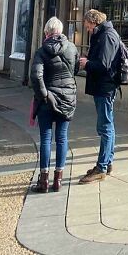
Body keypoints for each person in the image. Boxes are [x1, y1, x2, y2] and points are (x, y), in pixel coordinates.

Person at [30, 17, 80, 193]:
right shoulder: (72, 47)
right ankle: (58, 180)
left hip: (47, 100)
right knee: (62, 137)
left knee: (45, 138)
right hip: (67, 98)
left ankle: (43, 181)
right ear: (61, 31)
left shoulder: (41, 51)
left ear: (47, 32)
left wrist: (44, 94)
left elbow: (36, 76)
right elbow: (75, 70)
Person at [78, 9, 121, 183]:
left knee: (105, 127)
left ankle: (101, 167)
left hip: (105, 87)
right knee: (107, 126)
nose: (87, 28)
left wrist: (87, 63)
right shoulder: (102, 34)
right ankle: (107, 162)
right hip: (102, 87)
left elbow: (104, 65)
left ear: (94, 21)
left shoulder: (107, 36)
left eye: (87, 25)